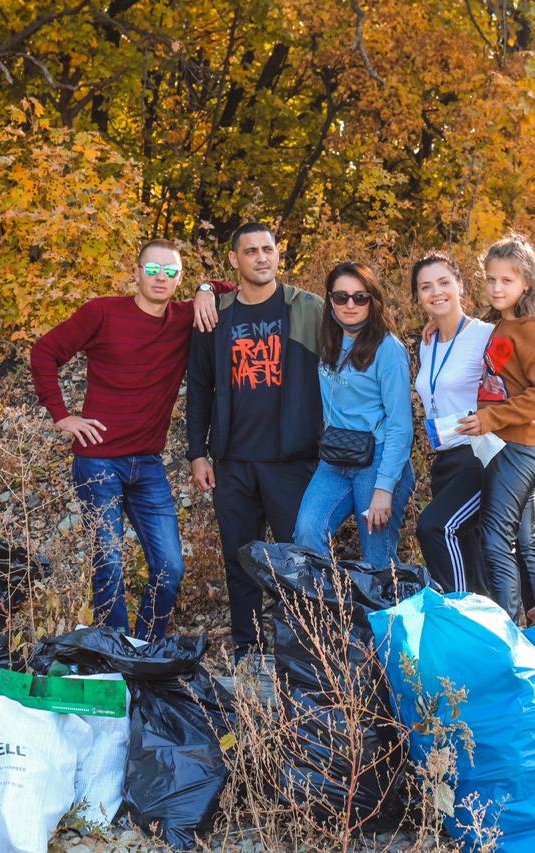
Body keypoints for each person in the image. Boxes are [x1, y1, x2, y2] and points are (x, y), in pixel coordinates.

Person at [29, 239, 231, 640]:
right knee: (110, 560)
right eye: (152, 269)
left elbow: (237, 287)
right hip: (98, 462)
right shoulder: (102, 312)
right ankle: (114, 652)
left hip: (148, 465)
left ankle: (145, 647)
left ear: (180, 279)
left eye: (171, 271)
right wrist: (63, 416)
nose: (161, 277)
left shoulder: (184, 318)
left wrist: (207, 289)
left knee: (170, 567)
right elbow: (44, 352)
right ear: (135, 274)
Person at [185, 223, 324, 661]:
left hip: (292, 459)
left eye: (268, 249)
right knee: (239, 558)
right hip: (233, 460)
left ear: (278, 254)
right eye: (250, 251)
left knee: (294, 560)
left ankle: (297, 649)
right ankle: (249, 648)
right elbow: (200, 386)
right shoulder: (216, 315)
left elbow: (349, 364)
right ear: (235, 260)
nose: (261, 258)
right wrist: (197, 453)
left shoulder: (307, 308)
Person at [455, 234, 535, 619]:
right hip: (500, 447)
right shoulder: (497, 327)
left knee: (494, 539)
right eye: (491, 279)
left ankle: (509, 636)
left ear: (526, 284)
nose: (497, 287)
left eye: (507, 280)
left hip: (519, 449)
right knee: (522, 541)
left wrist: (491, 418)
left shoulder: (534, 331)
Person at [292, 261, 414, 568]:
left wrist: (384, 489)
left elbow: (401, 425)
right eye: (341, 296)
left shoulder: (388, 349)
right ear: (330, 300)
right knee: (307, 534)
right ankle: (330, 613)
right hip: (335, 458)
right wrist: (207, 289)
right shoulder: (328, 340)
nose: (350, 304)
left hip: (377, 461)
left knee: (378, 561)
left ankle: (386, 617)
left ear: (372, 301)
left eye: (360, 297)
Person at [410, 254, 495, 595]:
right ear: (418, 297)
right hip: (444, 462)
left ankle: (463, 616)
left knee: (436, 527)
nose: (436, 292)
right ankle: (487, 627)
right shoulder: (427, 342)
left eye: (444, 282)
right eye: (425, 287)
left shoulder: (486, 334)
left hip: (479, 456)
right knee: (468, 549)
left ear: (460, 286)